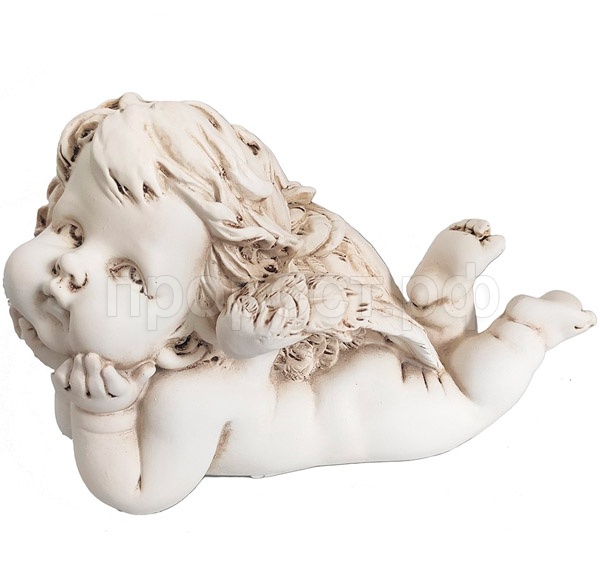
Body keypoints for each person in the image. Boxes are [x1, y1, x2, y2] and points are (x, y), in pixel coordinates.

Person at [4, 93, 595, 514]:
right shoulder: (162, 362)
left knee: (470, 395)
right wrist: (80, 386)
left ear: (192, 326)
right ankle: (442, 291)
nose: (69, 269)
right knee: (441, 347)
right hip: (357, 380)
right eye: (72, 230)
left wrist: (100, 418)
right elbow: (70, 408)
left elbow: (139, 492)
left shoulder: (184, 400)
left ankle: (527, 330)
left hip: (392, 411)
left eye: (129, 273)